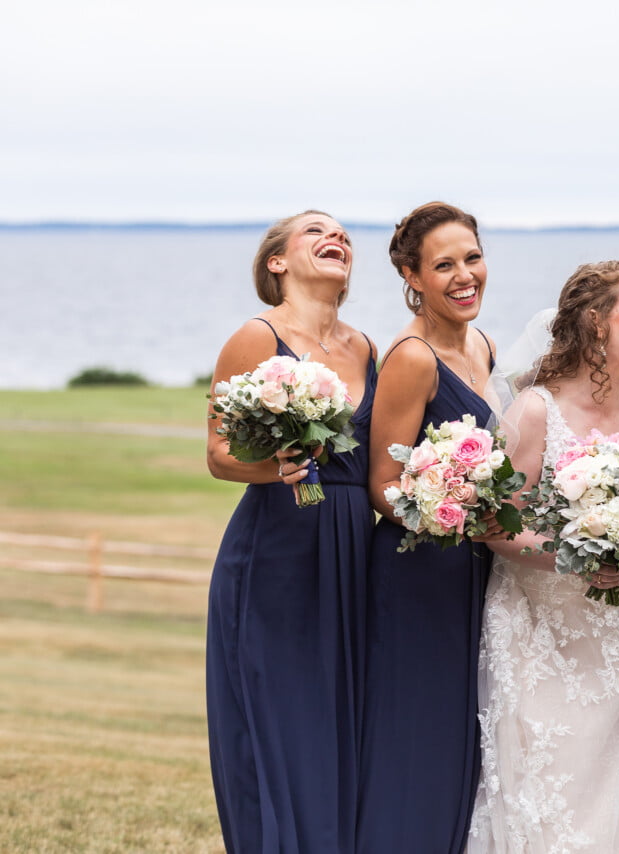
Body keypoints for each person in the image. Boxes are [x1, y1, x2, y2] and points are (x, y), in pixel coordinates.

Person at [467, 261, 619, 853]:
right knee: (547, 801)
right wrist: (572, 558)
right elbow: (495, 525)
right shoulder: (534, 411)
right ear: (598, 323)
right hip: (541, 639)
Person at [205, 210, 377, 854]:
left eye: (343, 236)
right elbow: (219, 455)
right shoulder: (255, 339)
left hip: (354, 554)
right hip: (278, 551)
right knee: (280, 723)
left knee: (343, 719)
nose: (336, 239)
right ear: (277, 261)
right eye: (315, 231)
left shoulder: (365, 347)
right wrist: (272, 466)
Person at [357, 202, 497, 852]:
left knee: (464, 731)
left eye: (472, 257)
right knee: (419, 730)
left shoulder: (482, 345)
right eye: (445, 265)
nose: (465, 274)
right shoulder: (412, 357)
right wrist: (446, 517)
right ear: (413, 276)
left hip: (478, 567)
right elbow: (383, 485)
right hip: (420, 569)